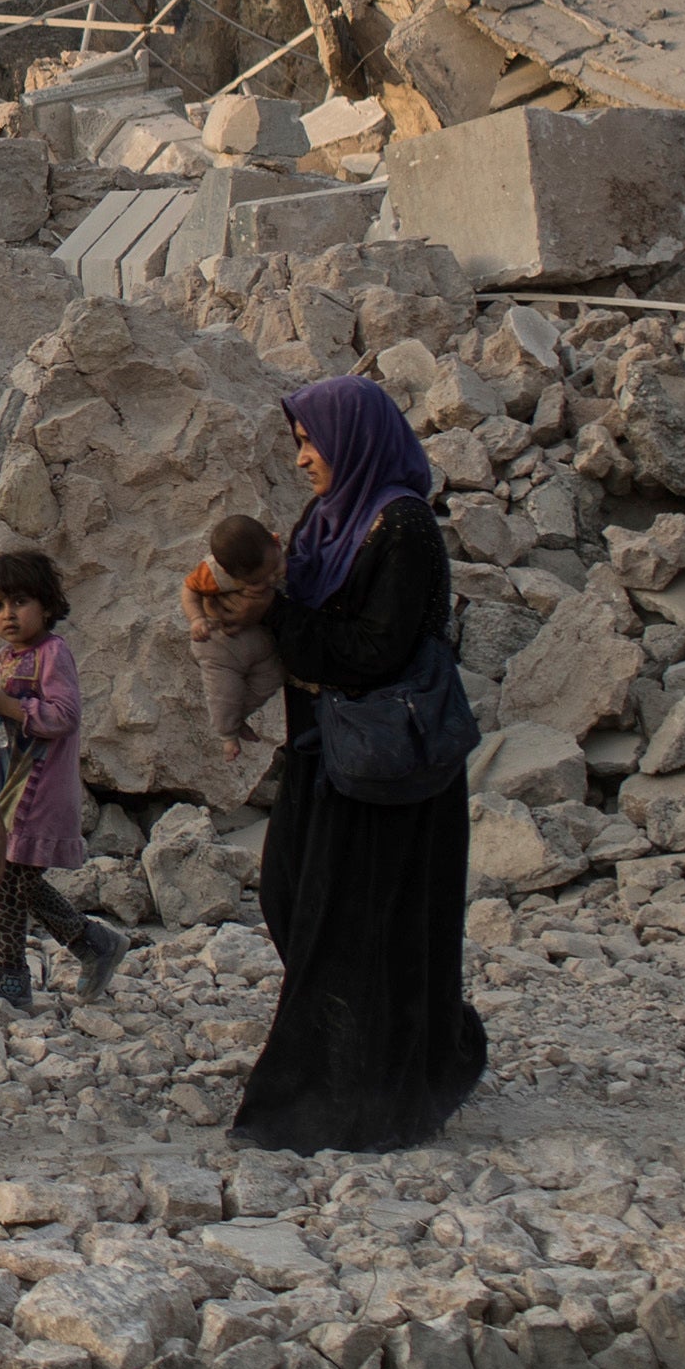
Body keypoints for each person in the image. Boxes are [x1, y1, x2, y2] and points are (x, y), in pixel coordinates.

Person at [227, 374, 490, 1154]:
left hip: (386, 771)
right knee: (290, 895)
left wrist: (274, 613)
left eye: (312, 441)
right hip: (324, 753)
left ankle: (340, 1101)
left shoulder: (401, 527)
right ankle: (422, 1042)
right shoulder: (325, 521)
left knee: (355, 924)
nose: (304, 457)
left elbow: (376, 651)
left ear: (354, 440)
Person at [0, 548, 128, 1008]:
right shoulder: (2, 659)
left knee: (6, 880)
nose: (7, 614)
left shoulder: (53, 654)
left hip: (42, 789)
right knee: (15, 881)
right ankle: (93, 944)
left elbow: (65, 715)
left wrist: (8, 706)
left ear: (47, 606)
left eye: (19, 602)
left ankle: (9, 976)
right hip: (11, 787)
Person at [185, 516, 287, 758]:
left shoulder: (271, 545)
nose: (269, 581)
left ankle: (237, 718)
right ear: (229, 573)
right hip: (221, 642)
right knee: (223, 693)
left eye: (273, 571)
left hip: (259, 639)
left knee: (274, 677)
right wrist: (197, 619)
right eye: (257, 581)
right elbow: (189, 590)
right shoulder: (212, 572)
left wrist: (281, 564)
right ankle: (227, 736)